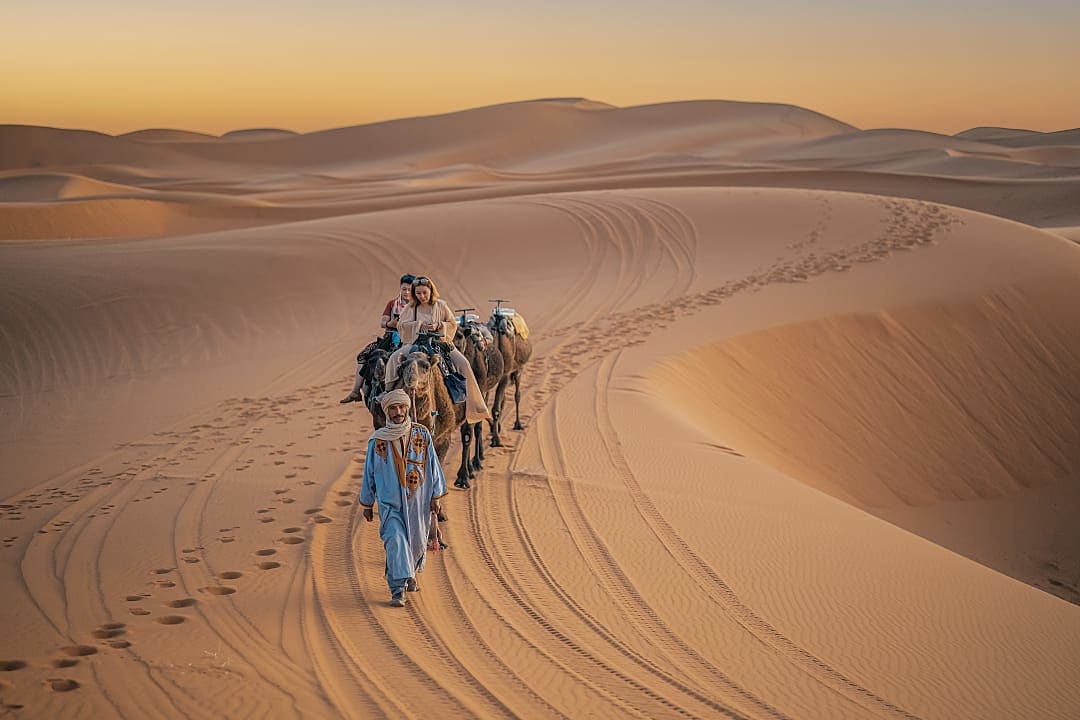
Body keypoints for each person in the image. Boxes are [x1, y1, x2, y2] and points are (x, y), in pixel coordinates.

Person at [359, 389, 447, 607]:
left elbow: (433, 466)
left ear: (408, 408)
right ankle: (398, 589)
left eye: (402, 407)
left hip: (418, 502)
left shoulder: (422, 434)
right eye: (393, 408)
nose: (398, 412)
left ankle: (410, 574)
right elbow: (369, 473)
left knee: (416, 542)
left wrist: (436, 495)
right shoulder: (377, 441)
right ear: (386, 411)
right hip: (390, 504)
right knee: (396, 541)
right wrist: (367, 502)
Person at [383, 276, 491, 424]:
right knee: (394, 358)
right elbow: (401, 326)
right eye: (418, 293)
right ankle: (388, 393)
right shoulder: (410, 308)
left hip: (440, 342)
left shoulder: (441, 306)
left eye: (424, 293)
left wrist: (439, 326)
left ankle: (475, 405)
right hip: (416, 341)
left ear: (431, 291)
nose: (422, 296)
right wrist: (418, 325)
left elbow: (452, 323)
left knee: (463, 363)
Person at [341, 274, 415, 404]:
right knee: (364, 355)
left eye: (409, 289)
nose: (406, 292)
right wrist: (390, 324)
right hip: (390, 337)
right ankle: (355, 391)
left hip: (410, 339)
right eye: (404, 289)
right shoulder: (392, 304)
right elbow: (383, 322)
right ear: (400, 289)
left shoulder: (417, 306)